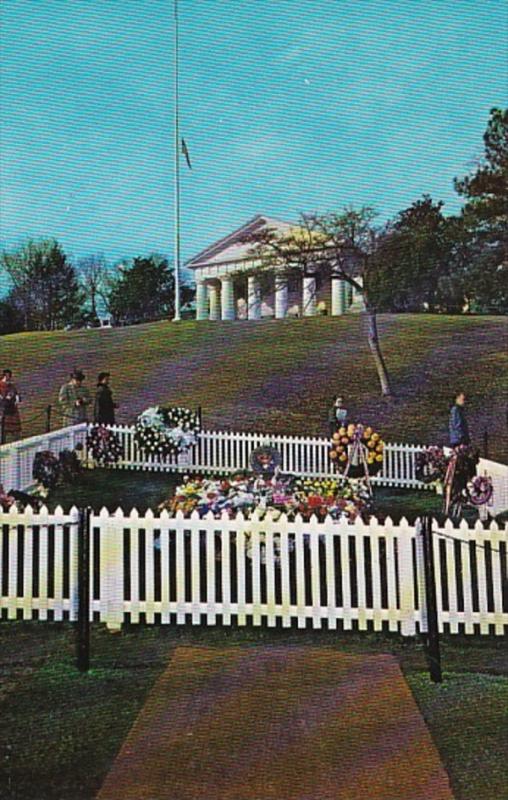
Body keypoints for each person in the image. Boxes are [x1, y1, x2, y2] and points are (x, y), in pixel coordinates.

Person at [0, 369, 22, 443]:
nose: (8, 377)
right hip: (4, 408)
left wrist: (17, 399)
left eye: (9, 376)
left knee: (14, 425)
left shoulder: (12, 385)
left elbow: (16, 393)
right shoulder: (1, 385)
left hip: (12, 408)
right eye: (7, 376)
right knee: (4, 425)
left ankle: (15, 437)